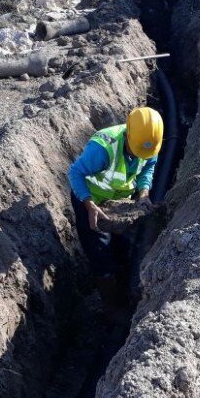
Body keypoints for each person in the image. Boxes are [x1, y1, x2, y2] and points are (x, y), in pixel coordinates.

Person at [68, 106, 164, 316]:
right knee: (99, 252)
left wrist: (144, 193)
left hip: (119, 199)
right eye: (136, 151)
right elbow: (74, 173)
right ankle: (111, 308)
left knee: (123, 245)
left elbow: (148, 167)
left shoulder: (148, 145)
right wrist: (89, 204)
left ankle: (125, 284)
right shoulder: (103, 149)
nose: (141, 156)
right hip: (91, 198)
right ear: (128, 134)